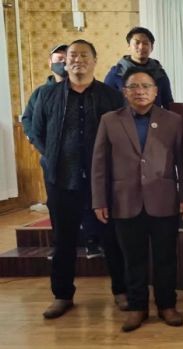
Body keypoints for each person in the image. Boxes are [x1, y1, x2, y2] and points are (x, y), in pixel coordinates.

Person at [30, 39, 128, 319]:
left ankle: (121, 290)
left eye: (84, 55)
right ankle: (62, 295)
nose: (77, 60)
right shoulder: (46, 95)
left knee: (111, 238)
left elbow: (121, 136)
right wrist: (54, 159)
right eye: (72, 55)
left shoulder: (111, 96)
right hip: (62, 180)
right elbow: (37, 132)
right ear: (64, 61)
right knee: (64, 240)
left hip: (104, 181)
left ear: (95, 61)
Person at [91, 68, 183, 332]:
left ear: (156, 91)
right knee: (132, 259)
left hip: (164, 200)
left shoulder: (173, 120)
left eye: (146, 86)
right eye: (134, 86)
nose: (140, 91)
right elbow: (99, 165)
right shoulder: (110, 120)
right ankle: (137, 307)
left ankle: (167, 305)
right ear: (124, 91)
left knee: (166, 258)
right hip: (124, 200)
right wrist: (99, 200)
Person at [104, 26, 174, 109]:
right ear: (129, 46)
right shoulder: (117, 73)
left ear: (151, 48)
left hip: (154, 120)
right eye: (137, 43)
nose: (141, 47)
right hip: (124, 120)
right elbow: (106, 103)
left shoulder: (159, 73)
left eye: (145, 43)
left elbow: (168, 103)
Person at [22, 44, 67, 139]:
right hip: (47, 150)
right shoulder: (40, 93)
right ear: (50, 63)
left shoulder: (80, 90)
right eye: (60, 58)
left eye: (67, 59)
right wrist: (35, 140)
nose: (64, 62)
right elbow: (27, 119)